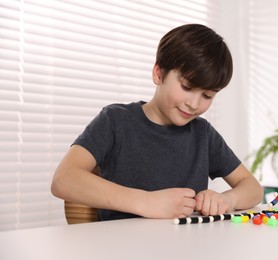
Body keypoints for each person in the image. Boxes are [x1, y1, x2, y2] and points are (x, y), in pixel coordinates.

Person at [51, 24, 263, 221]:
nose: (194, 104)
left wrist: (227, 199)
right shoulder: (116, 121)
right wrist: (146, 202)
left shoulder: (203, 134)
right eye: (187, 87)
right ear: (158, 73)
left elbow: (253, 188)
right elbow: (63, 179)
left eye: (207, 96)